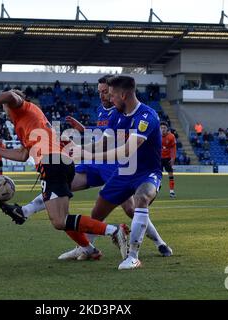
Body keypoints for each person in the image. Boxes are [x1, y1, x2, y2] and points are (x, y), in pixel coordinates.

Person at [4, 75, 171, 261]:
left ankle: (159, 242)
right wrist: (83, 136)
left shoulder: (132, 111)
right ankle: (79, 243)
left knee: (132, 209)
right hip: (97, 163)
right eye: (99, 92)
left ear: (118, 93)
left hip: (118, 165)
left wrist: (85, 150)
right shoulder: (105, 111)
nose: (102, 96)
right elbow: (102, 140)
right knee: (62, 185)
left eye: (106, 92)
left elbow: (120, 145)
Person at [0, 89, 129, 265]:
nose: (4, 110)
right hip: (60, 162)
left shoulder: (22, 108)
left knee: (59, 220)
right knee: (62, 217)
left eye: (4, 107)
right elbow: (23, 154)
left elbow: (8, 95)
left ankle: (114, 231)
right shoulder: (26, 121)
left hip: (51, 163)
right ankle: (90, 249)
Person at [74, 76, 168, 270]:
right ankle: (85, 248)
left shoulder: (146, 117)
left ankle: (133, 256)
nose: (110, 98)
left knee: (141, 198)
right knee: (98, 211)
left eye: (112, 94)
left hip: (148, 173)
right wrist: (78, 148)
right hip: (124, 172)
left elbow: (127, 150)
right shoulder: (116, 115)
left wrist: (83, 154)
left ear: (123, 95)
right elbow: (102, 143)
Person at [160, 122, 177, 198]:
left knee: (170, 174)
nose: (162, 129)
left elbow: (173, 148)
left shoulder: (171, 137)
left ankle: (172, 191)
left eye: (164, 128)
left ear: (167, 129)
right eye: (161, 128)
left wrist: (173, 158)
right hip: (158, 158)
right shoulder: (156, 135)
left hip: (167, 158)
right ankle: (155, 191)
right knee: (157, 175)